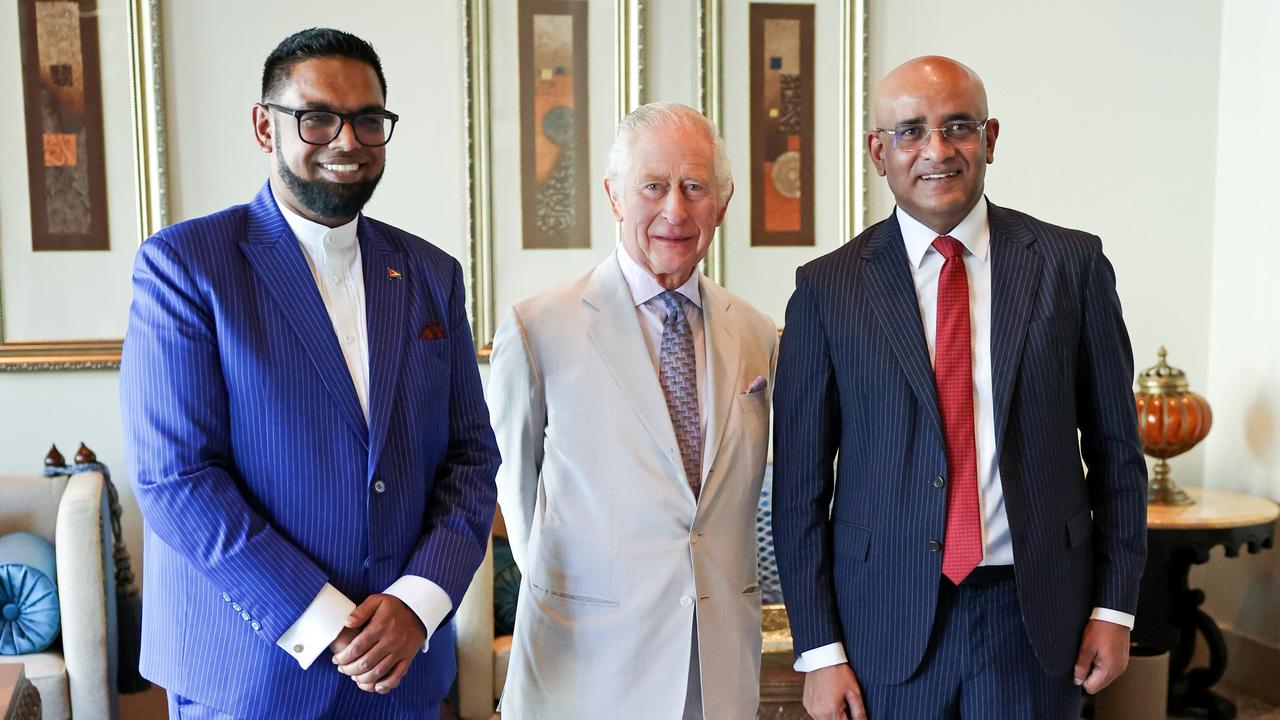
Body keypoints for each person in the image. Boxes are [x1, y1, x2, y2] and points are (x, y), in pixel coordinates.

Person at [120, 28, 499, 719]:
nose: (347, 140)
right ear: (266, 126)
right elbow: (176, 478)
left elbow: (472, 459)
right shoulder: (186, 265)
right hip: (251, 674)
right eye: (317, 117)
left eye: (368, 120)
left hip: (403, 673)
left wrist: (418, 603)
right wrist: (326, 619)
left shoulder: (431, 274)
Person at [771, 56, 1148, 719]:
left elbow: (1119, 454)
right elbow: (800, 488)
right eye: (911, 130)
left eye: (958, 127)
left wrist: (1115, 609)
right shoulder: (826, 290)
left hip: (1033, 616)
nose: (936, 150)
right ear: (878, 151)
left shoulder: (1071, 266)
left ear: (991, 138)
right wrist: (820, 651)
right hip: (882, 623)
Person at [488, 102, 777, 719]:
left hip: (717, 667)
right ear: (615, 196)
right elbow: (515, 497)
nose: (675, 209)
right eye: (653, 186)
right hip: (585, 667)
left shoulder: (759, 334)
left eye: (694, 187)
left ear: (721, 206)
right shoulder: (538, 328)